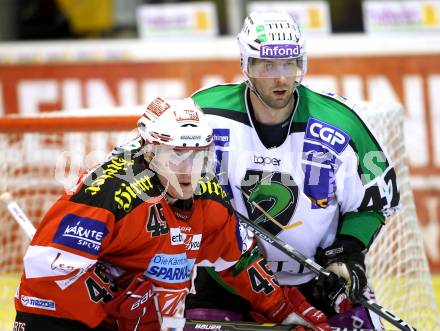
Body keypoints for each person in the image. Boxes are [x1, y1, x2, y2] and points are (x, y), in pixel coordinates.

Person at [13, 96, 332, 331]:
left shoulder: (209, 196)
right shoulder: (110, 192)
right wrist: (116, 295)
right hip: (58, 317)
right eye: (176, 154)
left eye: (196, 156)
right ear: (150, 152)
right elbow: (43, 265)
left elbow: (239, 261)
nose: (188, 170)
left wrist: (287, 311)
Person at [185, 11, 400, 330]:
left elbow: (375, 201)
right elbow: (152, 171)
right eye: (267, 65)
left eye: (289, 64)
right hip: (227, 282)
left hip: (318, 284)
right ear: (247, 65)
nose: (281, 77)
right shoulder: (204, 112)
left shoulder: (340, 123)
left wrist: (348, 251)